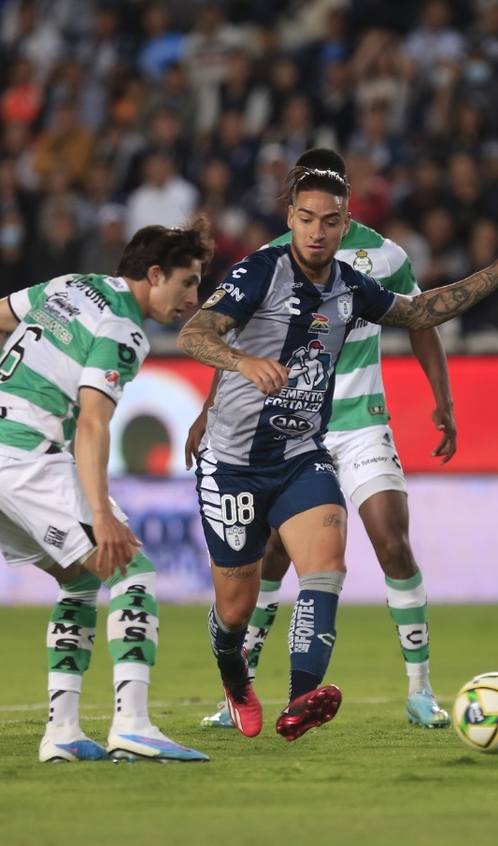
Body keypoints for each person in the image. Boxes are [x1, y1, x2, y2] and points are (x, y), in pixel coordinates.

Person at [177, 164, 498, 741]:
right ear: (290, 220)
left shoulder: (354, 283)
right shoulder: (259, 270)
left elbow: (420, 314)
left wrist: (496, 273)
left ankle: (302, 702)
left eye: (329, 221)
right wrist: (243, 364)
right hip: (236, 462)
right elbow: (194, 334)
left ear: (346, 222)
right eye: (306, 220)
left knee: (327, 567)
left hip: (304, 451)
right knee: (234, 608)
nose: (317, 232)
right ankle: (235, 678)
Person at [192, 148, 457, 733]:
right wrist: (208, 412)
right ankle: (239, 693)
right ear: (293, 206)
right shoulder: (270, 260)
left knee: (392, 540)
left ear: (344, 203)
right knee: (270, 563)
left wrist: (442, 396)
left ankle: (420, 690)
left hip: (360, 422)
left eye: (328, 208)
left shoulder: (386, 257)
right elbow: (230, 335)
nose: (315, 222)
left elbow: (419, 319)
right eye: (302, 204)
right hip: (284, 429)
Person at [0, 220, 214, 763]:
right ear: (154, 275)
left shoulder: (72, 285)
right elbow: (91, 424)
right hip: (25, 460)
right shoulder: (124, 330)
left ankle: (61, 731)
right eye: (186, 283)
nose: (192, 298)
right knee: (133, 567)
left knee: (80, 580)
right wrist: (104, 516)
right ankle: (133, 723)